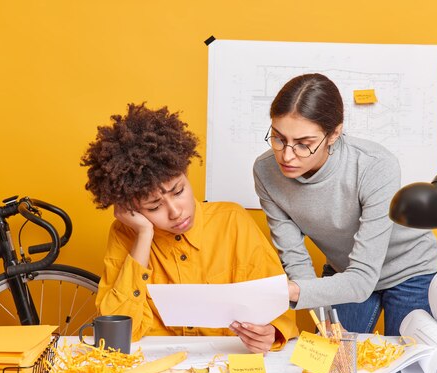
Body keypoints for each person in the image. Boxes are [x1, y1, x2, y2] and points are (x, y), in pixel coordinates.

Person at [81, 103, 298, 353]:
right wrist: (143, 236)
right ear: (131, 207)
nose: (175, 212)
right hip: (156, 370)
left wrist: (271, 333)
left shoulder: (232, 221)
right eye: (153, 207)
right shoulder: (125, 235)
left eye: (179, 191)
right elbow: (116, 336)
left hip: (227, 366)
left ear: (185, 172)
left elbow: (277, 306)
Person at [253, 74, 437, 336]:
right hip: (346, 273)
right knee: (333, 367)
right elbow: (296, 260)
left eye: (303, 144)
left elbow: (363, 279)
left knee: (407, 365)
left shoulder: (375, 165)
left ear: (334, 134)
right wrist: (322, 323)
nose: (286, 155)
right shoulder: (265, 172)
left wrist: (293, 292)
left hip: (410, 271)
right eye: (278, 138)